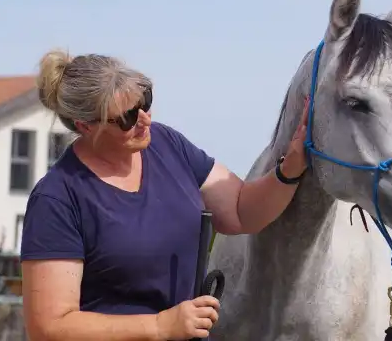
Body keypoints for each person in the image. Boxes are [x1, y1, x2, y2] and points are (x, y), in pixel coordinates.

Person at [20, 50, 309, 341]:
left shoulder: (167, 144)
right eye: (128, 117)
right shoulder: (57, 198)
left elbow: (239, 210)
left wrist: (290, 169)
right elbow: (49, 327)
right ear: (85, 125)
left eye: (145, 101)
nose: (145, 119)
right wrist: (160, 326)